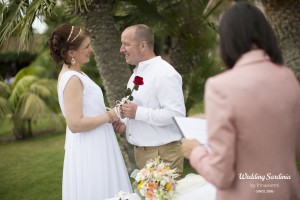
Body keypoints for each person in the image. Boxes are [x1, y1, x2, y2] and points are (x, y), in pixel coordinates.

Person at [181, 2, 300, 200]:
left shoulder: (220, 86)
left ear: (227, 39)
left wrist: (195, 152)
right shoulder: (288, 77)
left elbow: (222, 175)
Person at [48, 23, 132, 200]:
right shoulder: (72, 79)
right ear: (71, 53)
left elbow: (87, 109)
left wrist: (109, 116)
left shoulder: (77, 73)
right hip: (91, 148)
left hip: (98, 141)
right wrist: (110, 115)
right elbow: (75, 124)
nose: (91, 50)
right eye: (86, 47)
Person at [114, 24, 186, 175]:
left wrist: (137, 113)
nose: (121, 49)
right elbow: (141, 109)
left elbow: (176, 115)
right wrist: (125, 124)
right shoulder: (136, 74)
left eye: (126, 44)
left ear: (142, 46)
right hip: (143, 154)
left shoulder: (164, 73)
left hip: (163, 155)